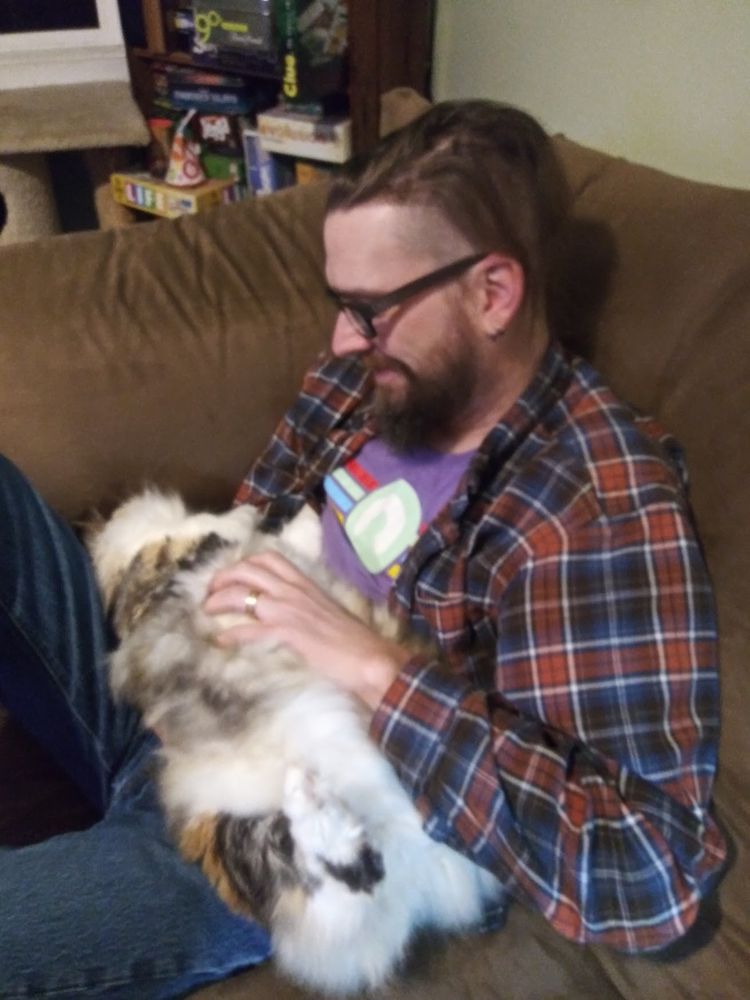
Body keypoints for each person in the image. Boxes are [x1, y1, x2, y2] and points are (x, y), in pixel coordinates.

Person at [0, 101, 726, 998]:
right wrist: (176, 632)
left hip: (265, 829)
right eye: (340, 305)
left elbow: (651, 869)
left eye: (369, 312)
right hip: (166, 682)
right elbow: (256, 518)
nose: (342, 340)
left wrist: (374, 669)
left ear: (492, 292)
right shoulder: (370, 384)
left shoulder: (592, 508)